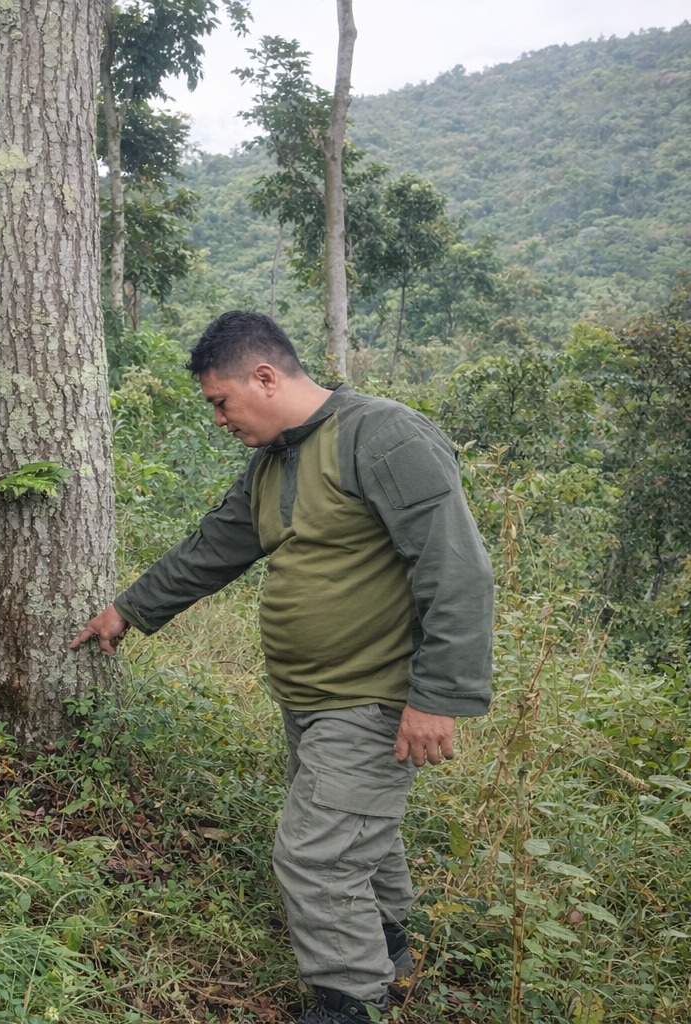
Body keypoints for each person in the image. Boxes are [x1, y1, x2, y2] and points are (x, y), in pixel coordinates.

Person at [70, 311, 494, 1024]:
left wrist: (439, 697)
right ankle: (391, 949)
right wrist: (129, 610)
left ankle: (349, 1001)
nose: (218, 419)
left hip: (373, 695)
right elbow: (215, 547)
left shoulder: (383, 435)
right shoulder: (272, 462)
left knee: (315, 854)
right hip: (311, 699)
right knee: (358, 830)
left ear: (263, 378)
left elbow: (457, 571)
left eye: (220, 402)